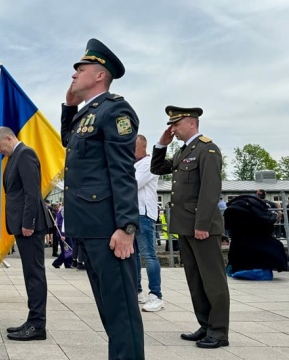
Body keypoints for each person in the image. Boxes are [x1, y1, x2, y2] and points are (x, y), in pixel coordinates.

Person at [61, 38, 144, 359]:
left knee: (121, 313)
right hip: (90, 227)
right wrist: (69, 107)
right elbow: (70, 142)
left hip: (109, 228)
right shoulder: (88, 113)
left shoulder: (116, 110)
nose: (73, 75)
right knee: (110, 312)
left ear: (98, 74)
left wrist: (126, 227)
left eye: (79, 69)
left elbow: (123, 171)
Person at [150, 105, 230, 349]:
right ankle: (205, 325)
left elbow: (210, 190)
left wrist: (203, 224)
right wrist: (161, 145)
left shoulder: (208, 149)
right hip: (185, 226)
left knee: (213, 281)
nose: (172, 129)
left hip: (201, 227)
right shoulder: (185, 151)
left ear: (191, 123)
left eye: (176, 124)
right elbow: (156, 168)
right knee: (195, 280)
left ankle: (219, 332)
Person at [0, 126, 51, 341]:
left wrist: (29, 223)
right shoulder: (15, 156)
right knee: (30, 274)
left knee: (35, 274)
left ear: (9, 138)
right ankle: (33, 320)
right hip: (23, 225)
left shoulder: (25, 153)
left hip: (30, 226)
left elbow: (32, 192)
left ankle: (37, 325)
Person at [134, 134, 165, 312]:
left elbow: (133, 183)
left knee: (149, 255)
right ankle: (138, 291)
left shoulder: (149, 163)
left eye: (133, 146)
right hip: (132, 213)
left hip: (144, 213)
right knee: (134, 255)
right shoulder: (133, 164)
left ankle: (156, 295)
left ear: (142, 147)